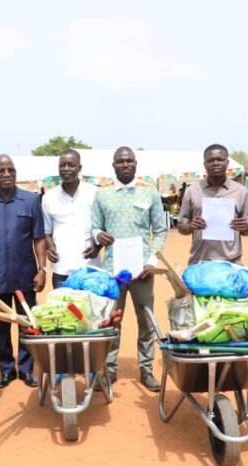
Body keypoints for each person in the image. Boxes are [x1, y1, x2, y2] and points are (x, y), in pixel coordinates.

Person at [92, 146, 168, 392]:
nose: (125, 165)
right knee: (112, 320)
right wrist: (98, 235)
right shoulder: (102, 194)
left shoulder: (150, 192)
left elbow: (160, 230)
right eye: (120, 161)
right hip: (112, 271)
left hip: (142, 270)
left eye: (129, 161)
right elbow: (95, 227)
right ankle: (109, 369)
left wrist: (152, 261)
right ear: (113, 165)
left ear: (136, 164)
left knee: (146, 321)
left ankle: (146, 369)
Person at [0, 154, 47, 389]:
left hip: (25, 273)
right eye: (1, 170)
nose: (7, 174)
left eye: (11, 170)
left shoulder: (30, 201)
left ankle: (26, 369)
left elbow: (39, 238)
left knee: (28, 322)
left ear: (15, 173)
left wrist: (42, 269)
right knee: (1, 325)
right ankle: (6, 369)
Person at [177, 144, 248, 265]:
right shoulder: (192, 191)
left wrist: (245, 227)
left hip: (231, 263)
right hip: (199, 262)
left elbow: (247, 229)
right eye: (211, 160)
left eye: (220, 159)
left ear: (227, 163)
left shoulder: (241, 192)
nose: (216, 163)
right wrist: (191, 226)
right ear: (204, 164)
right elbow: (181, 226)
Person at [41, 149, 101, 289]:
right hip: (62, 269)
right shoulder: (49, 197)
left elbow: (103, 226)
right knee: (63, 304)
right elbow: (46, 231)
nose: (66, 168)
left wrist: (98, 247)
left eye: (71, 165)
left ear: (79, 168)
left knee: (91, 304)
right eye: (62, 165)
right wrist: (50, 247)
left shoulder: (94, 193)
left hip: (90, 268)